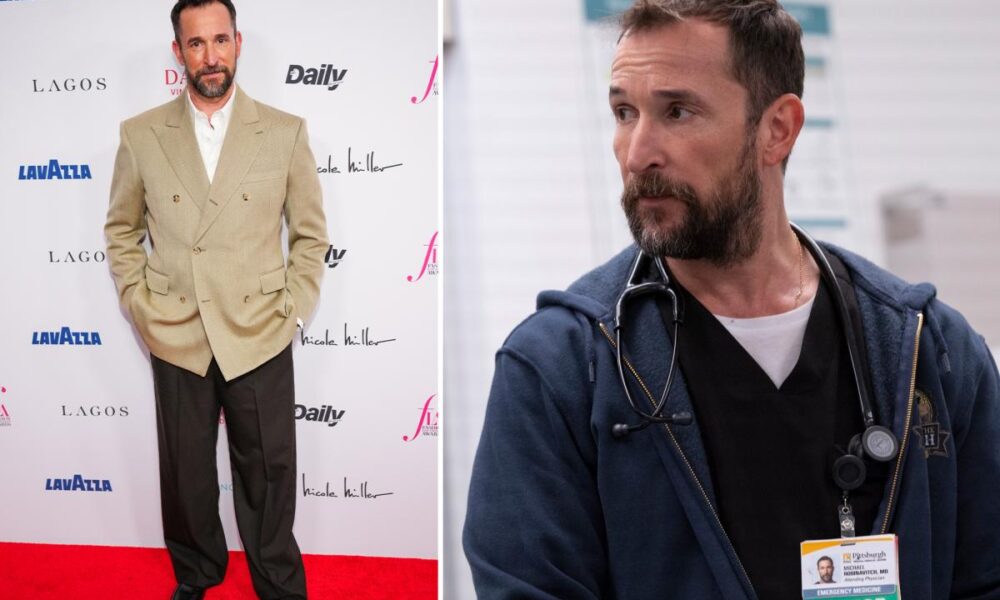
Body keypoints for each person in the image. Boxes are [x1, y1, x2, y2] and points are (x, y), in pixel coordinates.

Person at [462, 1, 1000, 598]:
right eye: (624, 112)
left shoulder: (930, 354)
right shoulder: (562, 368)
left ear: (777, 130)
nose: (637, 153)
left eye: (678, 111)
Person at [104, 1, 327, 598]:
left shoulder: (284, 131)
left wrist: (293, 310)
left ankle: (277, 581)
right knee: (186, 474)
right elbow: (122, 231)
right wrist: (140, 303)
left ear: (238, 43)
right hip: (176, 328)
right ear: (178, 51)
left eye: (220, 41)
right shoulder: (140, 134)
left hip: (259, 328)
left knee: (269, 471)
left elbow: (310, 236)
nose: (210, 57)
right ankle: (198, 571)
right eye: (197, 44)